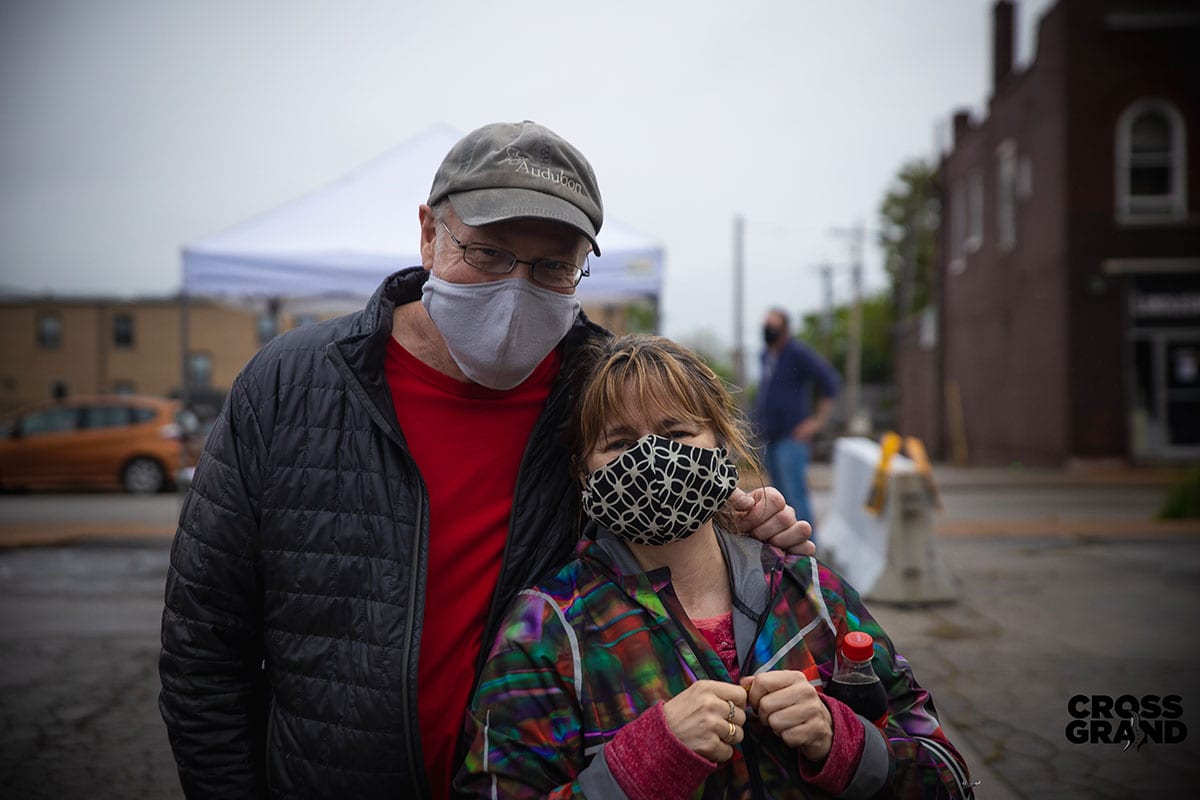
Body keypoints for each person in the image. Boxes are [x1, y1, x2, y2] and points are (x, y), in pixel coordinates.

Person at [158, 121, 812, 800]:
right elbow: (206, 645)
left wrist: (736, 522)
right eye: (489, 252)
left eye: (552, 266)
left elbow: (666, 556)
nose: (516, 288)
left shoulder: (606, 401)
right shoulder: (293, 386)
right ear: (428, 233)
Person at [457, 334, 973, 799]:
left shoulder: (811, 593)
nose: (651, 459)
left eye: (676, 432)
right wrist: (639, 766)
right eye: (618, 443)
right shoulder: (549, 628)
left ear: (722, 446)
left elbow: (948, 776)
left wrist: (840, 741)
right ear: (582, 470)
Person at [755, 308, 840, 533]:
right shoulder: (766, 355)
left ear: (784, 330)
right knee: (779, 500)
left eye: (772, 326)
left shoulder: (797, 353)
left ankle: (809, 552)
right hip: (770, 436)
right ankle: (787, 550)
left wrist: (817, 422)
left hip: (791, 438)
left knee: (796, 496)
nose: (767, 331)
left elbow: (830, 381)